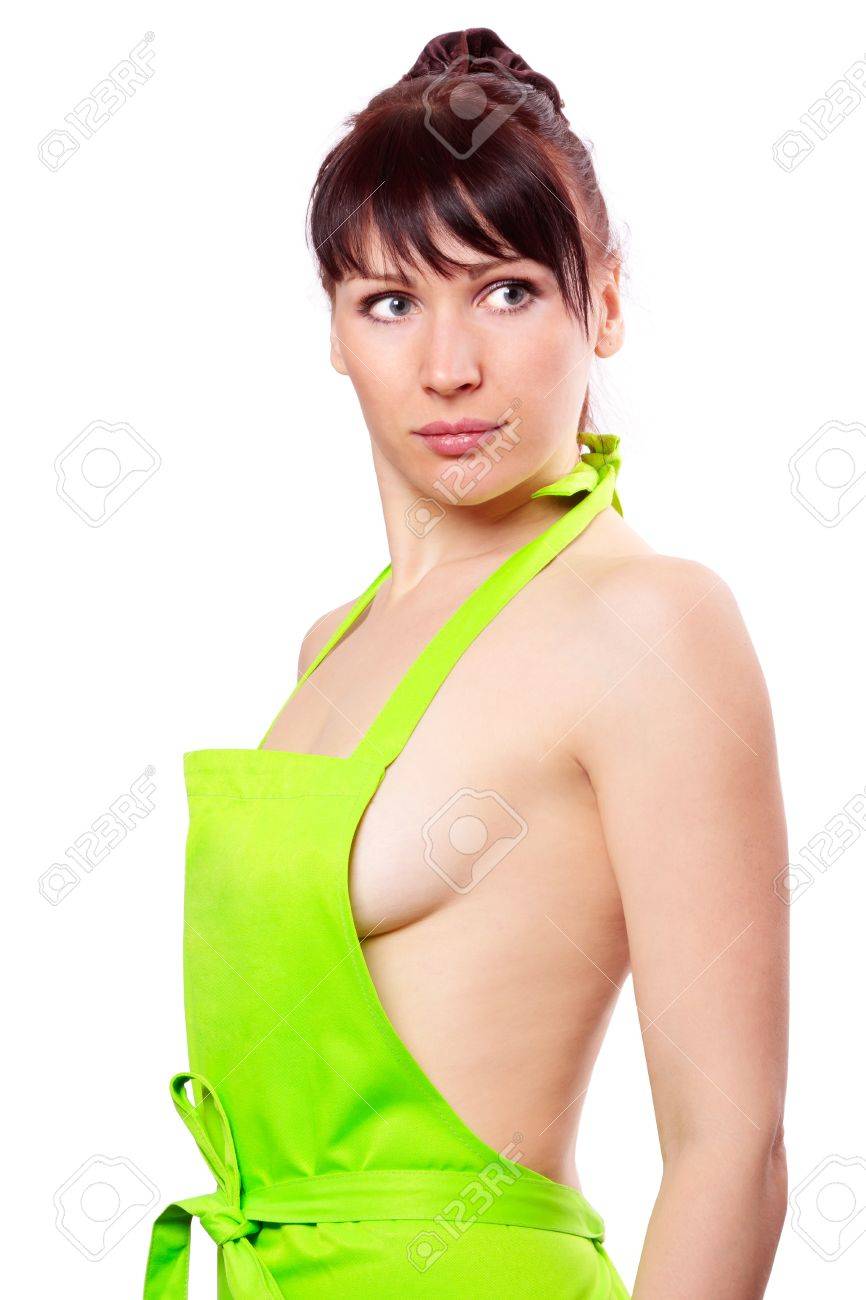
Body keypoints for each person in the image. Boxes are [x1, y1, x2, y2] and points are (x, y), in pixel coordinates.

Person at [143, 27, 789, 1299]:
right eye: (390, 303)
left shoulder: (647, 623)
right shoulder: (328, 645)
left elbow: (732, 1153)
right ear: (335, 330)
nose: (447, 369)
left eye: (505, 291)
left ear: (604, 301)